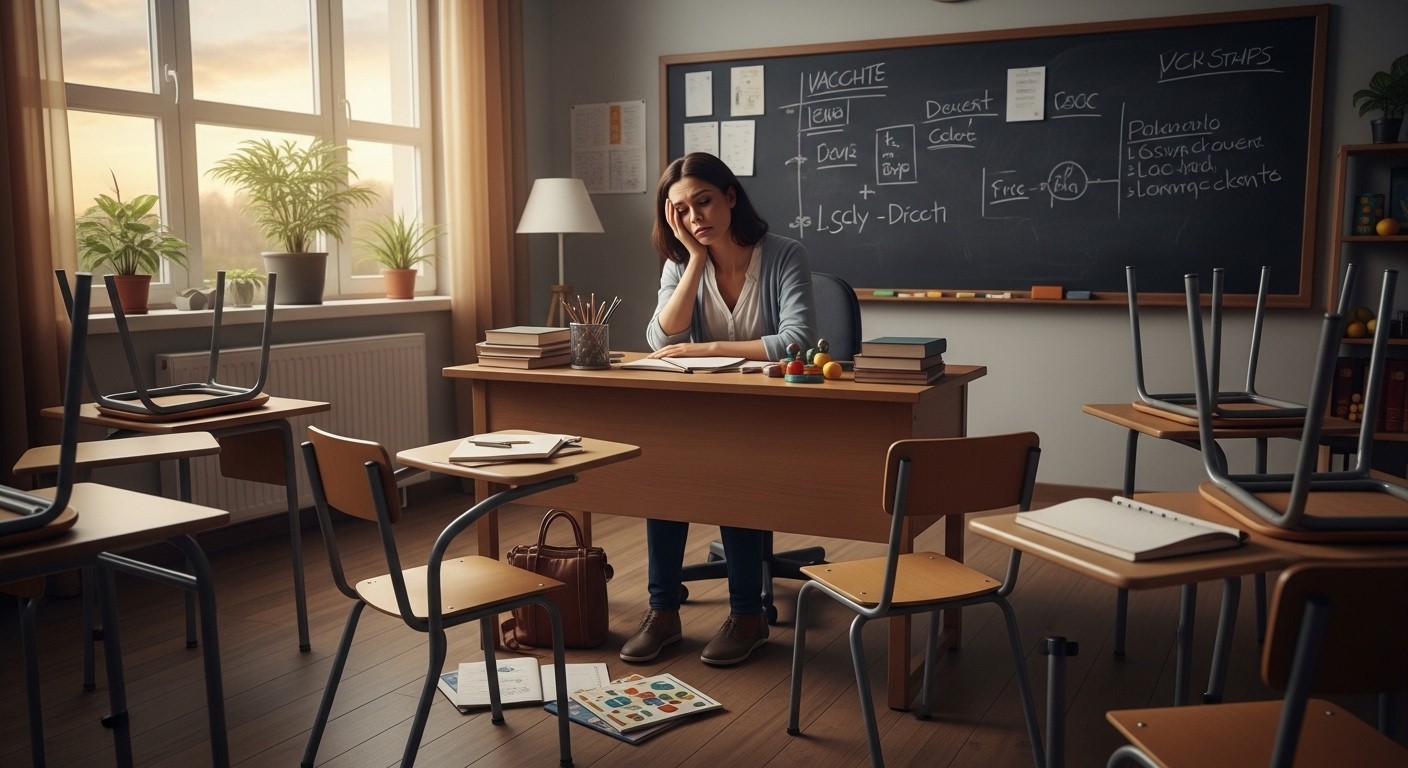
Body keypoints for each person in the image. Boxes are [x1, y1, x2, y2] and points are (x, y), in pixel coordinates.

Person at [622, 152, 816, 667]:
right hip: (705, 412)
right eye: (681, 211)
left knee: (735, 472)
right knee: (664, 470)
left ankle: (747, 616)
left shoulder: (783, 255)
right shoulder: (681, 263)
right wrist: (694, 259)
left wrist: (706, 350)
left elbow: (797, 339)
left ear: (730, 196)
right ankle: (663, 611)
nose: (695, 218)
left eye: (703, 202)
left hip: (775, 413)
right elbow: (661, 337)